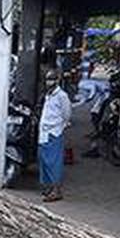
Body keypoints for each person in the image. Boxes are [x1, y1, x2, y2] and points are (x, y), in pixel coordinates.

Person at [38, 71, 71, 202]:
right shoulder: (48, 95)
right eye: (47, 79)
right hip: (44, 132)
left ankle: (56, 190)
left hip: (54, 132)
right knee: (44, 160)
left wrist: (60, 128)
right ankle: (48, 187)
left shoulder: (62, 96)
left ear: (57, 80)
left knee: (54, 162)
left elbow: (66, 114)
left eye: (51, 79)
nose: (48, 82)